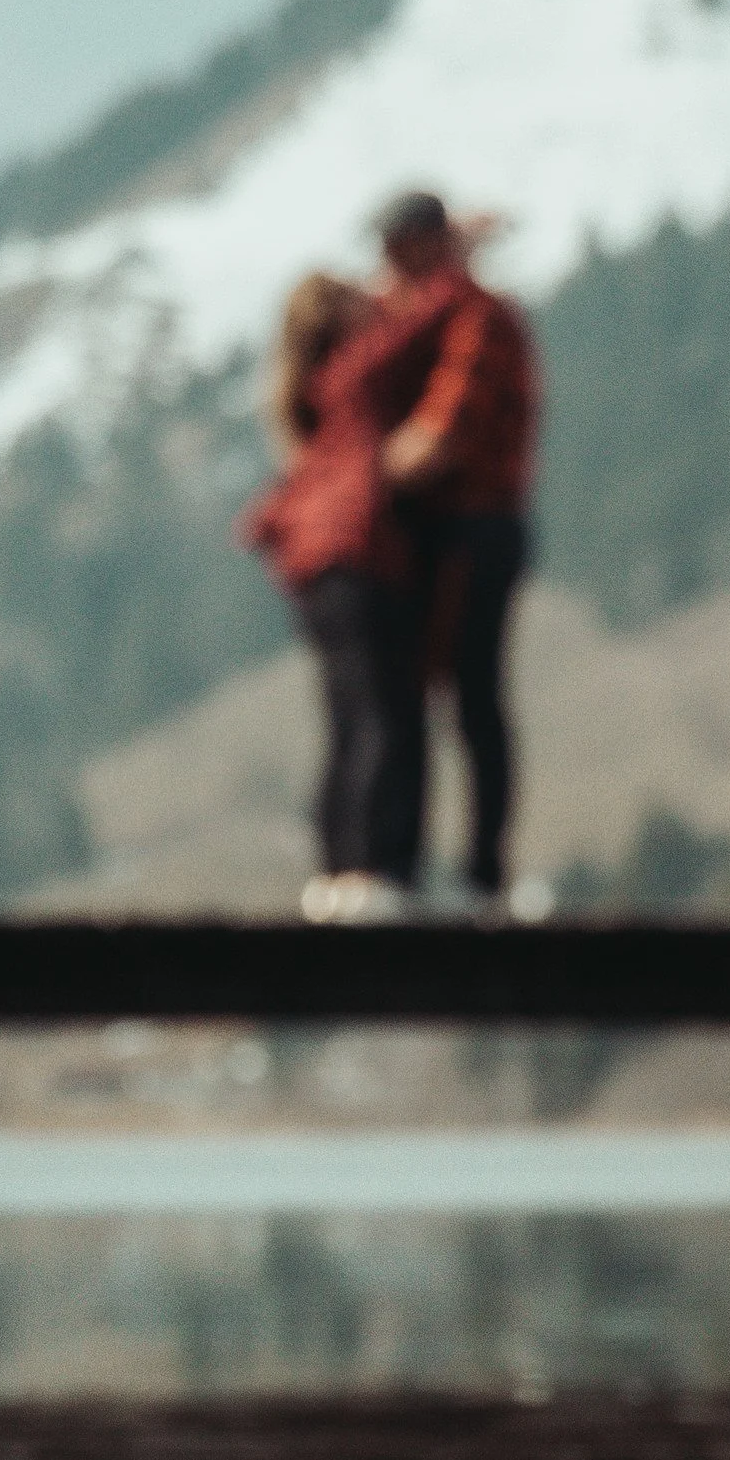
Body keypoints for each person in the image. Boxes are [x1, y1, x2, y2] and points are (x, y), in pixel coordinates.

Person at [239, 268, 456, 921]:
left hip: (315, 569)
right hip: (356, 556)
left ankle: (337, 876)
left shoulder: (312, 392)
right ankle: (375, 875)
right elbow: (417, 327)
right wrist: (446, 268)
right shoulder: (353, 371)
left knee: (348, 720)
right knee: (386, 716)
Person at [374, 191, 542, 907]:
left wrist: (358, 475)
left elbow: (444, 429)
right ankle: (457, 872)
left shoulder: (473, 318)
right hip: (466, 528)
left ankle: (479, 876)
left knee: (472, 697)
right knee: (460, 700)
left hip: (475, 525)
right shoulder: (452, 311)